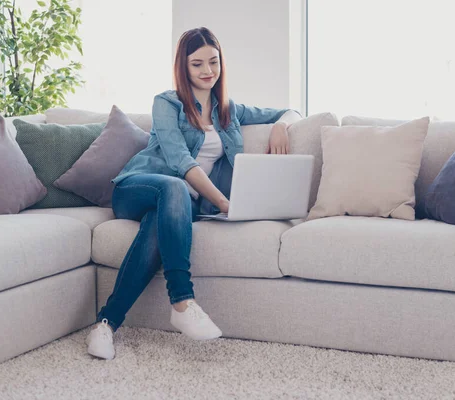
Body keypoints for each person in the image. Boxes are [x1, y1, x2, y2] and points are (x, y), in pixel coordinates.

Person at [86, 27, 299, 360]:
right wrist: (223, 203)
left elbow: (290, 111)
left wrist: (282, 126)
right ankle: (182, 301)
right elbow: (179, 161)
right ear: (183, 68)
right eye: (197, 64)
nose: (207, 71)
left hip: (177, 204)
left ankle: (105, 324)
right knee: (173, 186)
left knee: (165, 217)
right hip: (137, 187)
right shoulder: (166, 104)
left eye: (213, 62)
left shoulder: (229, 110)